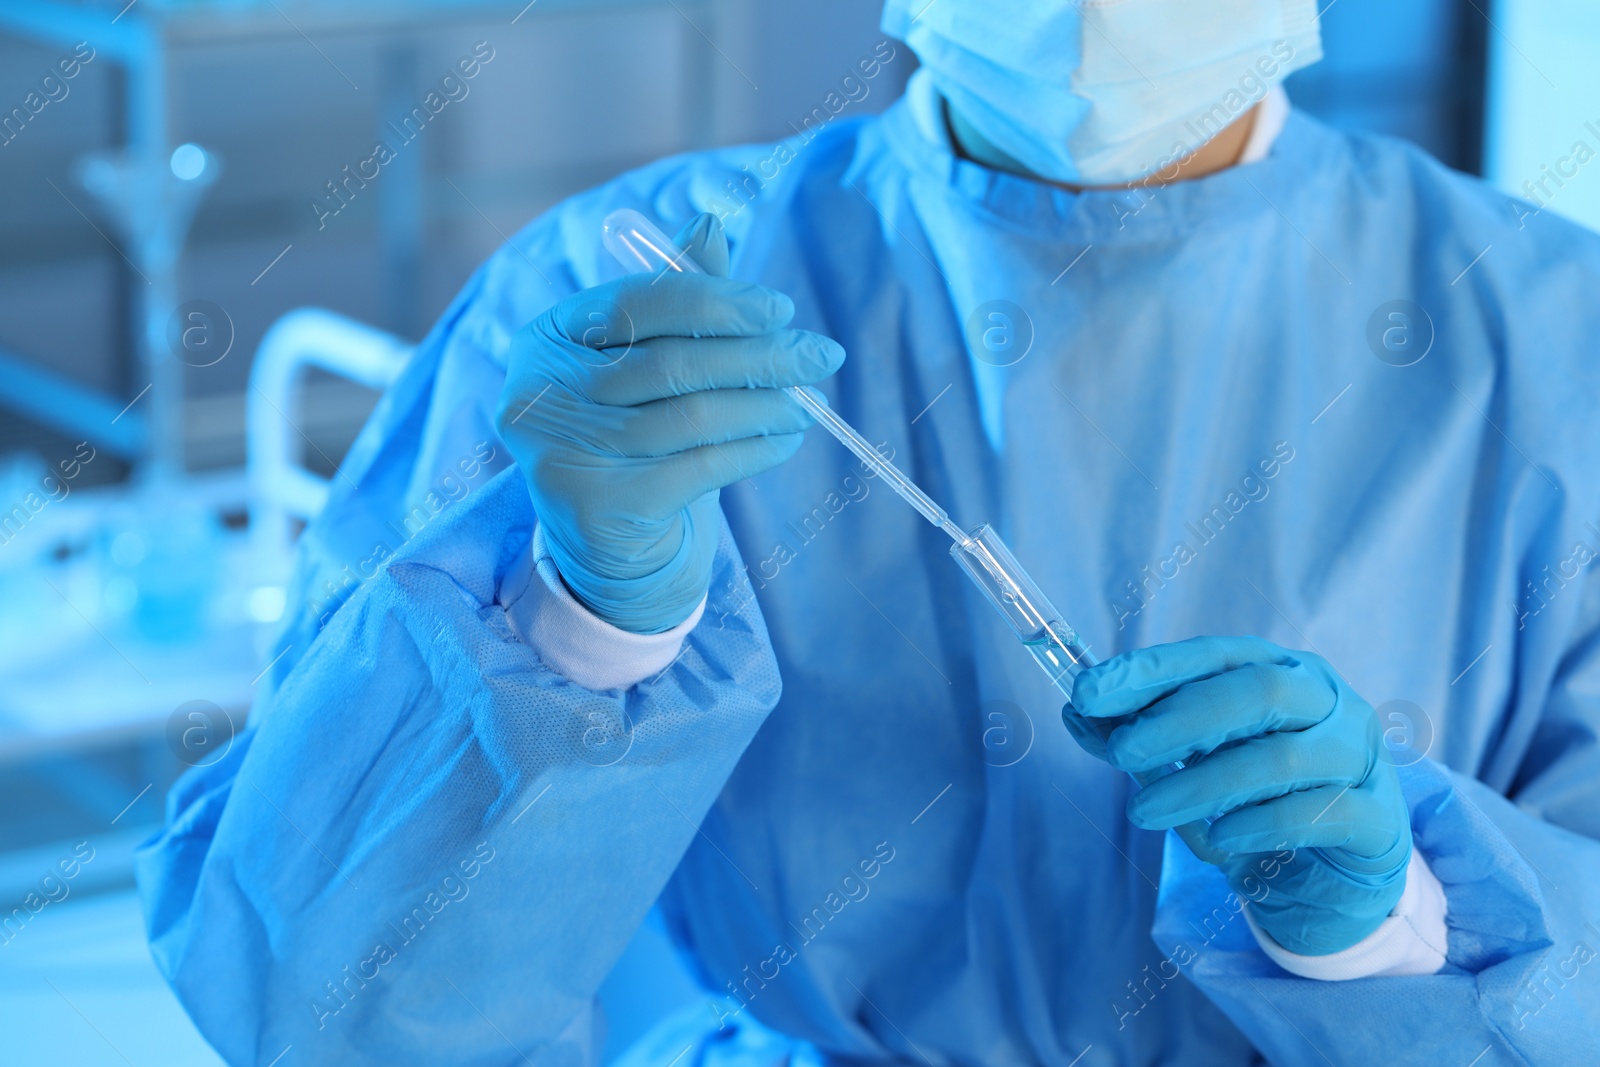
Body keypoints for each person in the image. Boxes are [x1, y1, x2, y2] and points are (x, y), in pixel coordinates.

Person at [139, 2, 1600, 1064]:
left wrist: (1384, 922)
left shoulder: (1552, 335)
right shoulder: (612, 302)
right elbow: (326, 1013)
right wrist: (584, 618)